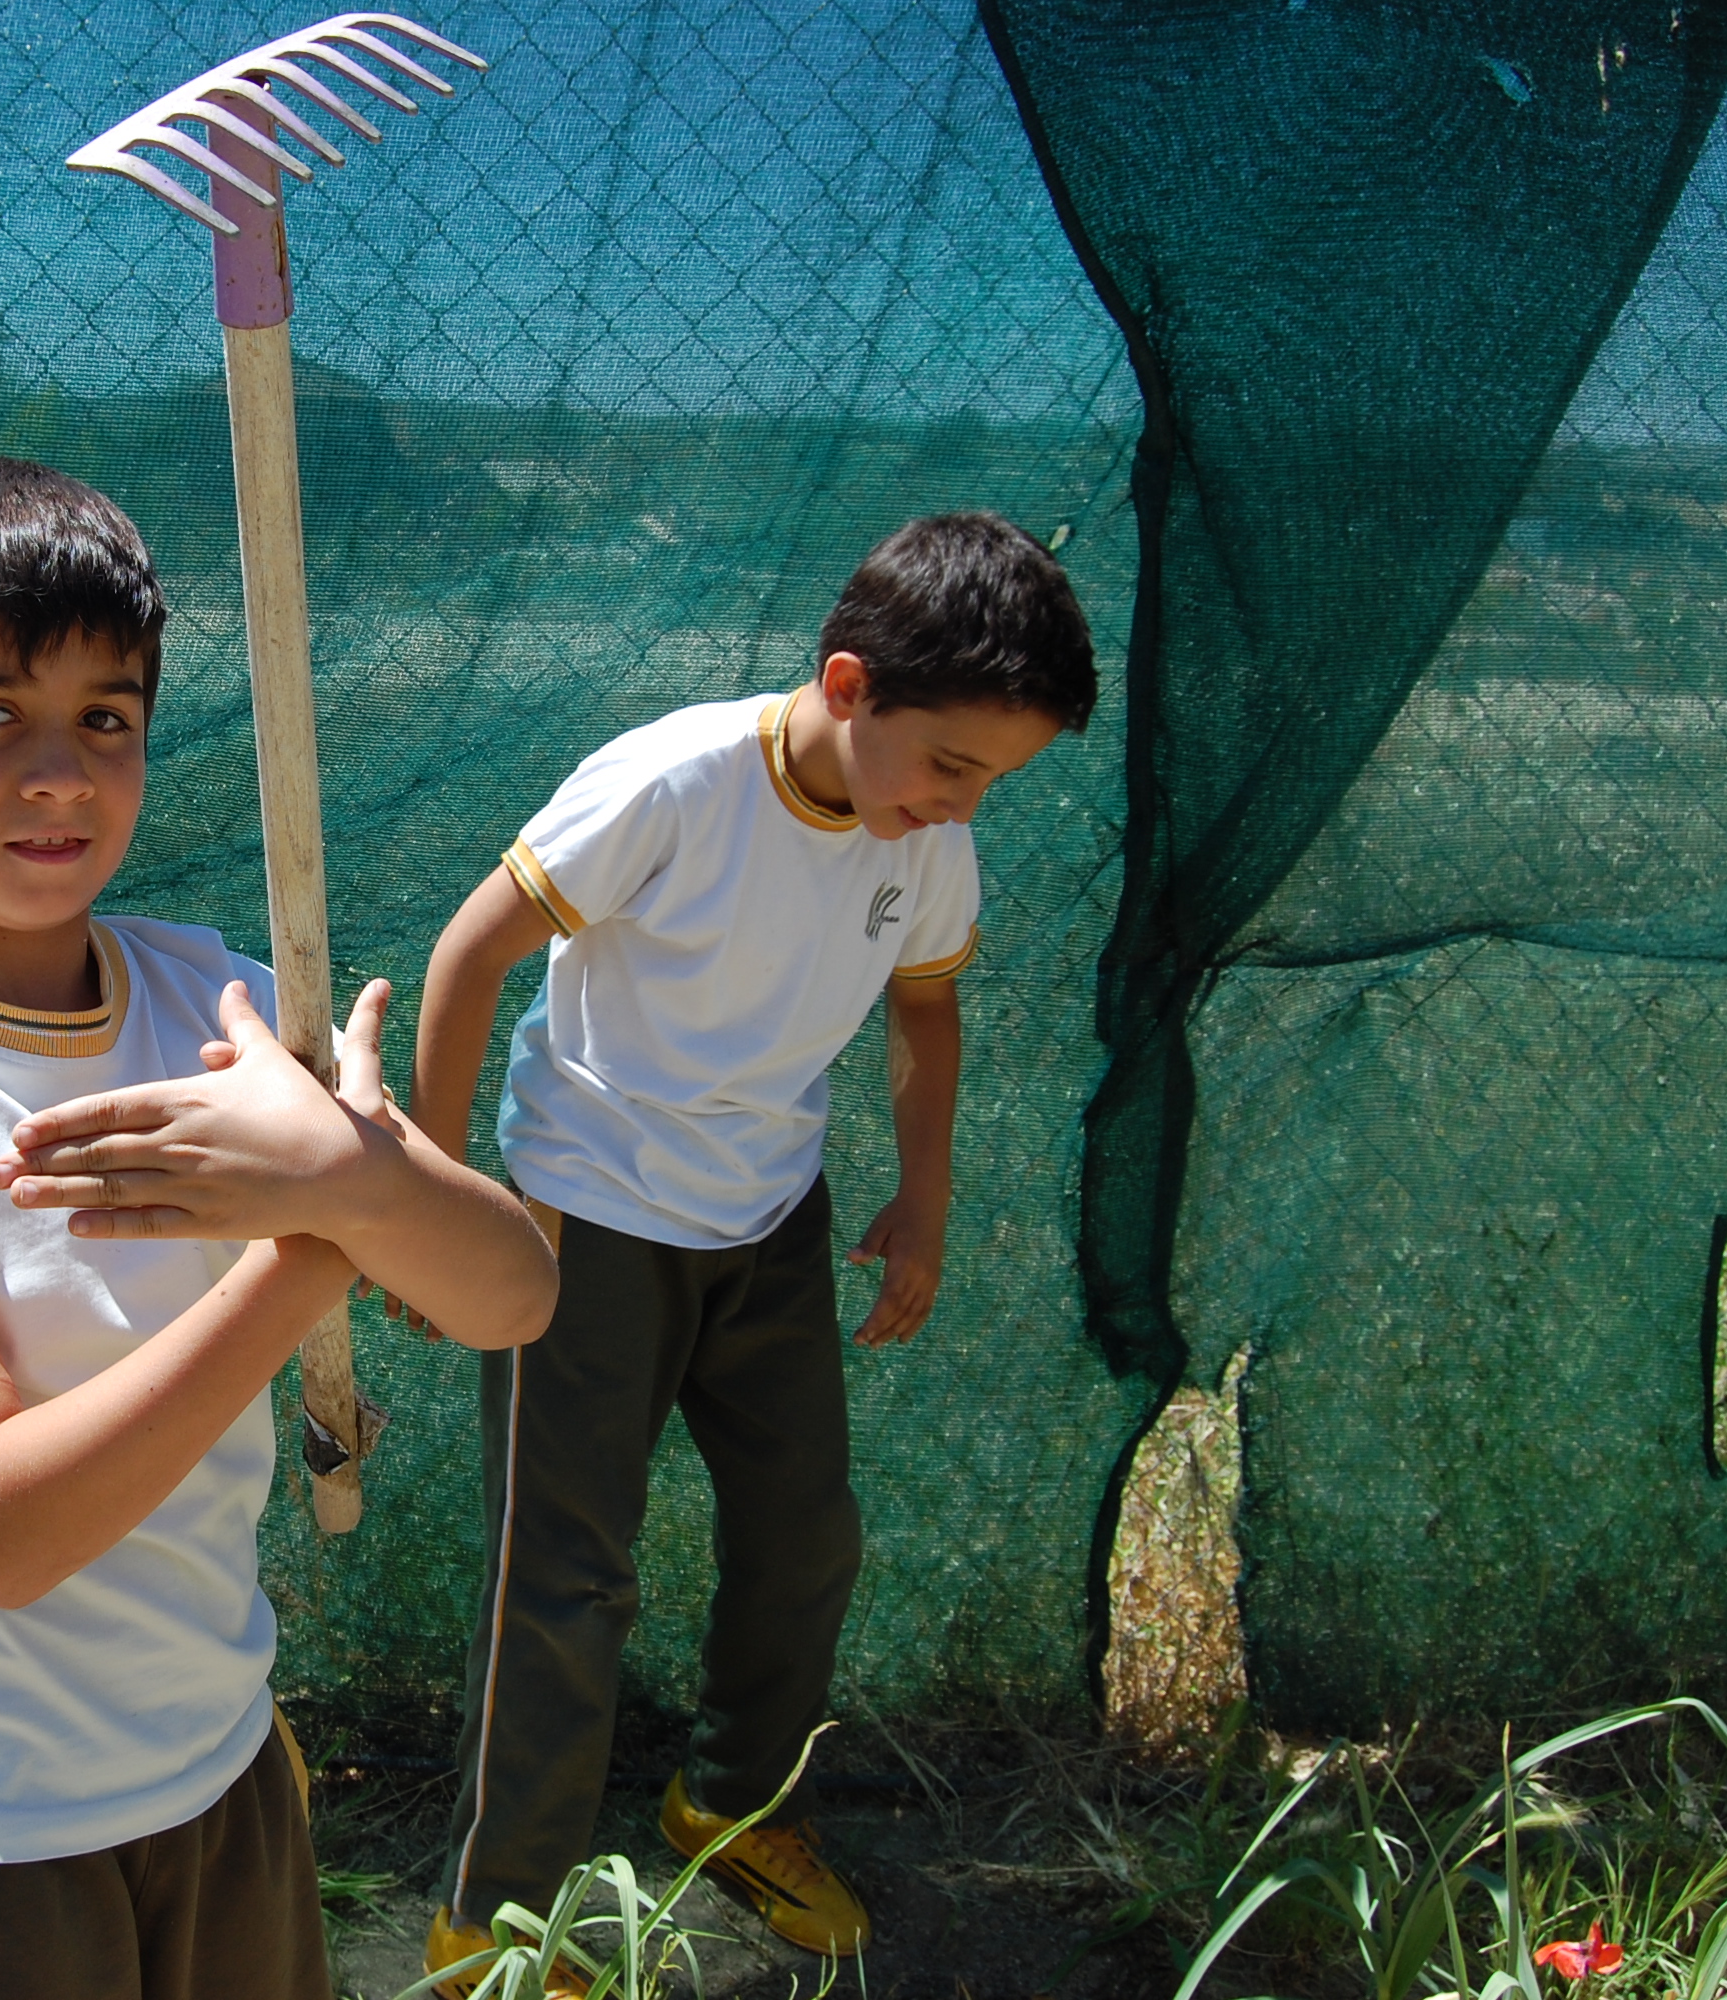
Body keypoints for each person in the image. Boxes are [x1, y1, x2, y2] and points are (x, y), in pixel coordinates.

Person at [0, 458, 557, 2000]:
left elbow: (513, 1296)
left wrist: (366, 1177)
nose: (60, 774)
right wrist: (306, 1244)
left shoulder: (212, 1002)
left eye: (107, 719)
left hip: (219, 1773)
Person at [407, 513, 1097, 1990]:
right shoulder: (674, 784)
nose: (964, 807)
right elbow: (472, 954)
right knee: (566, 1584)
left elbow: (926, 1008)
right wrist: (434, 1197)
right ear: (850, 687)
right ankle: (493, 1922)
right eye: (954, 766)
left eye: (994, 781)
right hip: (582, 1222)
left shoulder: (929, 839)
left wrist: (926, 1195)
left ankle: (729, 1806)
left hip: (768, 1219)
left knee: (805, 1537)